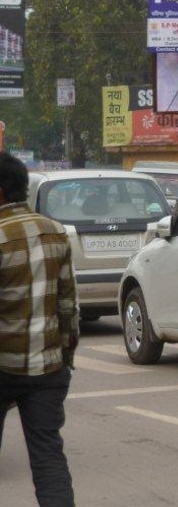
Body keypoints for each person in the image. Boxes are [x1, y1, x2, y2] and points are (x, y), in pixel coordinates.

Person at [0, 151, 79, 507]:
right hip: (48, 368)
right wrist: (65, 358)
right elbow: (67, 306)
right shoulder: (55, 232)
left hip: (3, 364)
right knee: (48, 458)